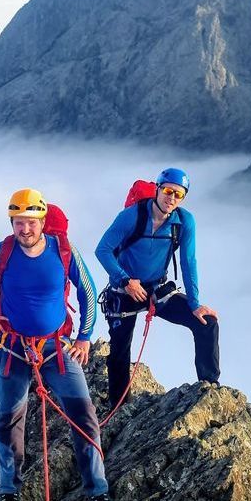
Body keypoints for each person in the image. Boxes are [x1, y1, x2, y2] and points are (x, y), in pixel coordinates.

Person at [0, 188, 113, 501]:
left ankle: (97, 489)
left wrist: (84, 338)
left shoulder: (64, 251)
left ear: (42, 221)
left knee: (84, 417)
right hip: (12, 347)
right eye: (18, 222)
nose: (25, 229)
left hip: (56, 347)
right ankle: (8, 489)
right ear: (12, 223)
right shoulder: (3, 252)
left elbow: (87, 291)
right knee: (9, 420)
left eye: (30, 222)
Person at [93, 167, 220, 414]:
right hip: (124, 290)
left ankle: (209, 389)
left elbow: (188, 261)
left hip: (157, 289)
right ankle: (118, 408)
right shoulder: (131, 216)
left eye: (178, 195)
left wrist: (195, 304)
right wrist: (125, 281)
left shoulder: (183, 222)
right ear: (158, 190)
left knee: (207, 323)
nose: (172, 198)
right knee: (120, 349)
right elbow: (103, 250)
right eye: (168, 191)